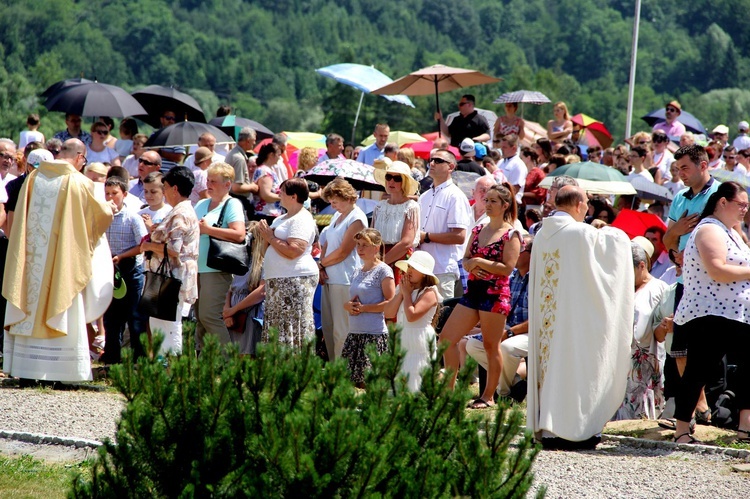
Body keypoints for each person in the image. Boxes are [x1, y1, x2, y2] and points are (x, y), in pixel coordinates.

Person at [527, 185, 634, 449]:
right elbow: (616, 250)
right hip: (573, 320)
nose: (587, 207)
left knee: (554, 367)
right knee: (575, 366)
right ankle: (573, 429)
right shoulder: (581, 233)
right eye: (586, 203)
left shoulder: (542, 234)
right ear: (578, 204)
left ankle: (550, 429)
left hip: (549, 322)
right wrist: (605, 229)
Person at [2, 139, 112, 383]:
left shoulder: (32, 179)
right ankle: (61, 373)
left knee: (29, 301)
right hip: (62, 264)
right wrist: (110, 209)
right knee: (63, 303)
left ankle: (27, 371)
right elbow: (101, 216)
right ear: (80, 157)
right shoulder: (80, 182)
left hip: (30, 265)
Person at [672, 181, 750, 444]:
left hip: (736, 314)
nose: (745, 210)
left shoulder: (732, 233)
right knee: (698, 372)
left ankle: (745, 427)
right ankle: (682, 430)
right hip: (709, 314)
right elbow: (717, 269)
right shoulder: (708, 229)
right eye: (741, 204)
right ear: (723, 202)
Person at [440, 184, 522, 408]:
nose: (487, 204)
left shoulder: (511, 234)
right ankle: (448, 391)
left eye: (493, 201)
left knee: (490, 345)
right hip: (474, 292)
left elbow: (507, 268)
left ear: (505, 205)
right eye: (486, 200)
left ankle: (488, 396)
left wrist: (478, 262)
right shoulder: (477, 230)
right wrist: (472, 265)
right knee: (446, 339)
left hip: (495, 295)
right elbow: (465, 259)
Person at [465, 233, 533, 401]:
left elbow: (539, 318)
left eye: (521, 248)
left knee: (507, 348)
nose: (515, 252)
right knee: (472, 345)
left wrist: (509, 333)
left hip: (532, 332)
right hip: (510, 329)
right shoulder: (511, 277)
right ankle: (514, 383)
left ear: (533, 253)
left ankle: (503, 393)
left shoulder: (540, 279)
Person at [139, 167, 200, 356]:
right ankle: (164, 367)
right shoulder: (179, 210)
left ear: (174, 188)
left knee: (170, 325)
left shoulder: (180, 213)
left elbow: (174, 249)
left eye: (164, 187)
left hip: (172, 278)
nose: (163, 191)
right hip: (167, 276)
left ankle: (173, 368)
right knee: (160, 323)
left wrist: (149, 246)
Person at [257, 178, 318, 349]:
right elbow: (268, 250)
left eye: (282, 191)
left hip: (295, 279)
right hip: (278, 280)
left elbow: (294, 251)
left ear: (293, 196)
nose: (279, 194)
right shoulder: (281, 218)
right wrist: (265, 236)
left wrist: (270, 237)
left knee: (292, 324)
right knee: (278, 325)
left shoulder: (302, 219)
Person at [194, 162, 247, 350]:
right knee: (200, 318)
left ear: (228, 184)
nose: (209, 184)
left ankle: (228, 363)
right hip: (197, 268)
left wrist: (208, 230)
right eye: (208, 180)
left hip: (216, 268)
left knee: (209, 316)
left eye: (214, 181)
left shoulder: (232, 204)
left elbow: (239, 234)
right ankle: (204, 362)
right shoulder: (201, 203)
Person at [615, 240, 669, 421]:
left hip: (646, 358)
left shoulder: (659, 288)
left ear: (641, 266)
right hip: (621, 359)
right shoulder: (623, 289)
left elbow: (659, 329)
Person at [99, 176, 149, 364]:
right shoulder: (103, 216)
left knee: (134, 317)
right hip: (109, 271)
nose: (111, 197)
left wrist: (122, 256)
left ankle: (138, 361)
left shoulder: (133, 218)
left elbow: (142, 245)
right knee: (111, 318)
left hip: (130, 271)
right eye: (107, 194)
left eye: (115, 193)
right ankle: (112, 358)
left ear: (125, 195)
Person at [318, 179, 367, 360]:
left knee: (342, 329)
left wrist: (322, 264)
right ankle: (333, 366)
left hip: (345, 279)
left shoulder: (357, 218)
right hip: (330, 277)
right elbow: (327, 243)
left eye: (334, 201)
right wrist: (321, 266)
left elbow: (343, 252)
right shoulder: (336, 216)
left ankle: (343, 372)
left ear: (345, 196)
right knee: (329, 327)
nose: (332, 205)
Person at [342, 229, 395, 387]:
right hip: (355, 334)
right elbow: (351, 300)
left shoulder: (383, 271)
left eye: (365, 245)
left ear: (376, 248)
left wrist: (364, 308)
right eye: (358, 245)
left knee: (370, 383)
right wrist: (347, 306)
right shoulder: (357, 271)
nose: (360, 249)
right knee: (351, 383)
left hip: (373, 335)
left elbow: (391, 303)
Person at [418, 149, 472, 300]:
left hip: (443, 268)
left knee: (441, 318)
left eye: (438, 161)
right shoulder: (424, 196)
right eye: (431, 160)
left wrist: (427, 237)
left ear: (451, 167)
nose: (432, 163)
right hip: (422, 268)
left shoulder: (456, 196)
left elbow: (459, 236)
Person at [384, 251, 441, 392]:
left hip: (419, 338)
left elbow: (412, 315)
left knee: (417, 373)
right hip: (402, 336)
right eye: (409, 267)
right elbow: (388, 312)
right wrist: (402, 293)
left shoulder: (429, 292)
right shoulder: (404, 288)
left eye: (414, 268)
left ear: (424, 273)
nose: (409, 271)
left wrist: (407, 294)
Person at [223, 222, 266, 356]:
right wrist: (227, 310)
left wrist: (233, 310)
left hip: (249, 311)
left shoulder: (263, 262)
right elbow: (229, 286)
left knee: (247, 354)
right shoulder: (240, 259)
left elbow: (261, 291)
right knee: (233, 353)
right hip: (233, 308)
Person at [225, 127, 258, 213]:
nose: (254, 143)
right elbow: (236, 187)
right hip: (237, 199)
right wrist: (253, 187)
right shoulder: (239, 158)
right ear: (248, 140)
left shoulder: (232, 153)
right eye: (253, 140)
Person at [252, 143, 283, 219]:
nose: (279, 158)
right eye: (278, 155)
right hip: (267, 214)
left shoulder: (268, 170)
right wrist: (283, 197)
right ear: (271, 155)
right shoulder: (265, 171)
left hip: (270, 213)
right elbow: (266, 195)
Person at [495, 134, 527, 205]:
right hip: (499, 201)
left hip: (511, 204)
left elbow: (515, 188)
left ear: (514, 148)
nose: (501, 149)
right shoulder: (501, 162)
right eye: (501, 147)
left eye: (504, 147)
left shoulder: (519, 165)